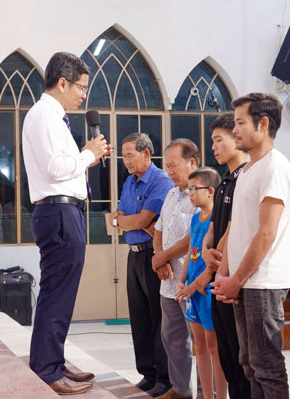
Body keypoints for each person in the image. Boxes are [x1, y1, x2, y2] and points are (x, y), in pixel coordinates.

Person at [22, 52, 110, 395]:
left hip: (64, 211)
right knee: (56, 293)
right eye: (81, 87)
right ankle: (46, 369)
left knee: (62, 293)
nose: (84, 94)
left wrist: (85, 156)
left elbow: (61, 165)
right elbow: (55, 169)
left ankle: (54, 363)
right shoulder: (44, 115)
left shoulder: (53, 117)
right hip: (58, 213)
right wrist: (88, 154)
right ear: (62, 83)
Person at [211, 93, 290, 399]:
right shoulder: (249, 169)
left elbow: (267, 233)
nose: (235, 130)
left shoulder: (275, 166)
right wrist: (223, 274)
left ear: (263, 124)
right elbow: (237, 230)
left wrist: (236, 279)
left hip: (262, 282)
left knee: (267, 368)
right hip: (245, 281)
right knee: (249, 365)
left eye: (240, 123)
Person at [109, 133, 174, 397]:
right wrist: (124, 221)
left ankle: (165, 378)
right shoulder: (129, 181)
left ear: (146, 154)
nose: (125, 161)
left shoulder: (160, 181)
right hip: (133, 255)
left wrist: (125, 221)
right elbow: (117, 216)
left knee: (159, 318)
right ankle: (148, 373)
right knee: (139, 317)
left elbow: (140, 221)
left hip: (153, 255)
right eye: (123, 156)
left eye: (129, 155)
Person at [196, 112, 251, 399]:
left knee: (242, 357)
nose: (214, 147)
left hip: (232, 276)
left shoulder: (246, 177)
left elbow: (234, 226)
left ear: (237, 138)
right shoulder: (224, 182)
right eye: (213, 141)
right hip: (217, 274)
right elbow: (214, 226)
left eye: (219, 140)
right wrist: (207, 249)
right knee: (227, 354)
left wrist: (214, 262)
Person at [152, 139, 203, 399]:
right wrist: (158, 257)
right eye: (167, 166)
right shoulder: (171, 194)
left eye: (174, 165)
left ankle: (206, 392)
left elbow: (195, 236)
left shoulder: (201, 193)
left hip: (191, 280)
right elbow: (159, 228)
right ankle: (181, 390)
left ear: (192, 162)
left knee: (201, 340)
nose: (169, 171)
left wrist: (163, 257)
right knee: (172, 338)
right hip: (168, 281)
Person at [176, 167, 226, 399]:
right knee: (200, 347)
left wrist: (194, 284)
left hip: (206, 289)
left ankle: (221, 395)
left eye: (194, 189)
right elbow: (191, 251)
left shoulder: (218, 219)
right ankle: (206, 395)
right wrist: (181, 278)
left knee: (215, 348)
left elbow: (215, 260)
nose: (190, 194)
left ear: (210, 191)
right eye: (189, 190)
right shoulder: (196, 218)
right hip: (191, 290)